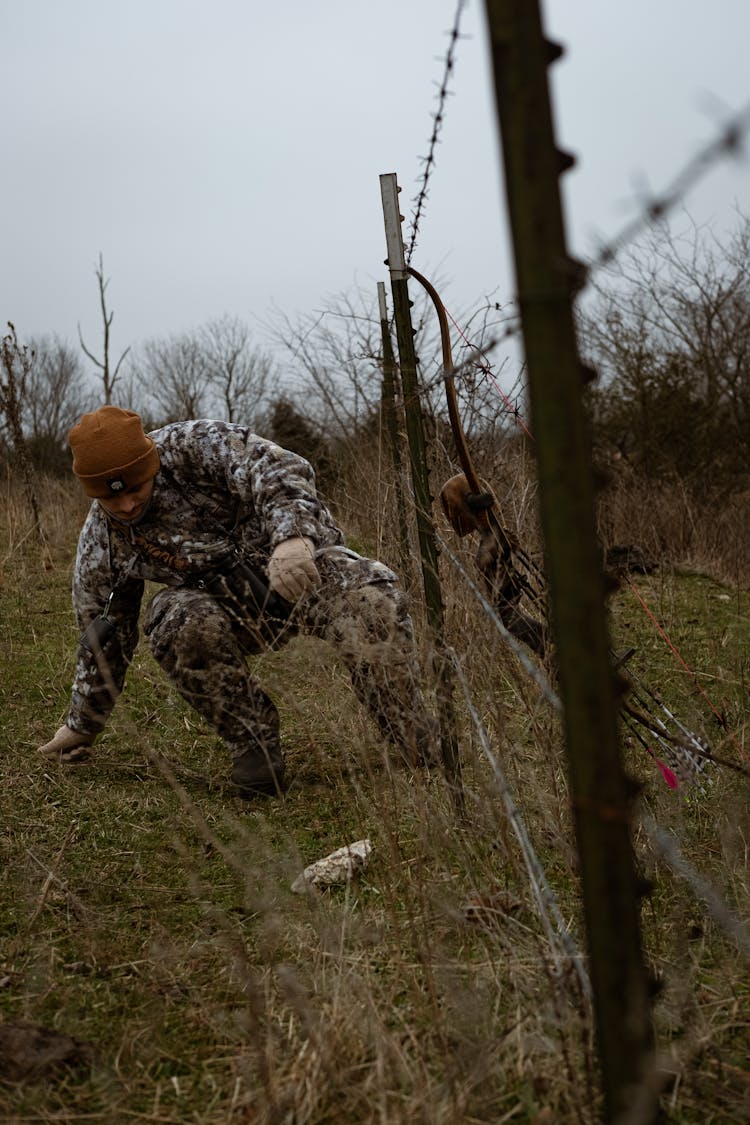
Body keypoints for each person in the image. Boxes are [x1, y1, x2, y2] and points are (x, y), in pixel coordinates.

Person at [38, 407, 437, 795]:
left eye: (136, 490)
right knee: (175, 620)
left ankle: (409, 729)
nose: (126, 506)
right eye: (112, 499)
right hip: (223, 607)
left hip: (301, 569)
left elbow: (280, 468)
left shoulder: (194, 445)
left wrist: (293, 537)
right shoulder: (103, 542)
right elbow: (103, 632)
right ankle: (255, 747)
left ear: (150, 466)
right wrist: (83, 723)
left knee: (372, 599)